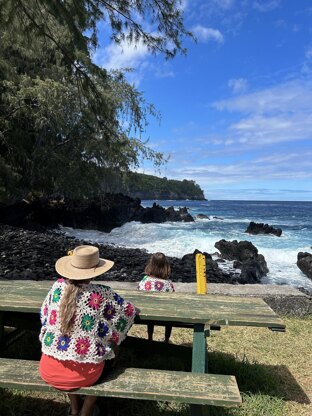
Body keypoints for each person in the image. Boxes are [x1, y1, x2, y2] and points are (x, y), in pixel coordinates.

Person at [39, 245, 136, 416]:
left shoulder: (57, 287)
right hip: (85, 376)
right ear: (96, 270)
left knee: (67, 346)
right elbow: (128, 312)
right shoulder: (101, 294)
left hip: (48, 369)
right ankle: (87, 409)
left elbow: (45, 316)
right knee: (113, 352)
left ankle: (75, 409)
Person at [138, 252, 175, 342]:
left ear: (151, 265)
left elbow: (139, 291)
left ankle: (150, 337)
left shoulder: (145, 280)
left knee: (150, 307)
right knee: (168, 314)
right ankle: (166, 339)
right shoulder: (168, 283)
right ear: (165, 266)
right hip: (164, 315)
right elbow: (173, 299)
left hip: (147, 313)